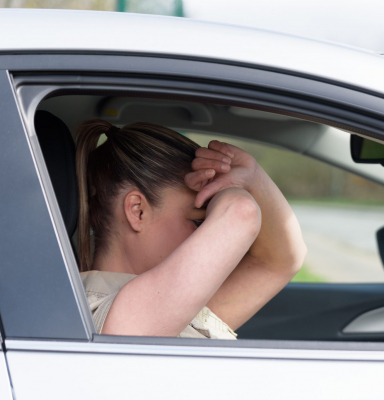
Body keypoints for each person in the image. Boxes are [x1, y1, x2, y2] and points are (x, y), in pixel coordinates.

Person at [76, 120, 306, 339]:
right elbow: (241, 212)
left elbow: (279, 261)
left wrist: (252, 176)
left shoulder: (171, 306)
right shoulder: (101, 312)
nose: (209, 236)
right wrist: (232, 188)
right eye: (198, 221)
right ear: (138, 211)